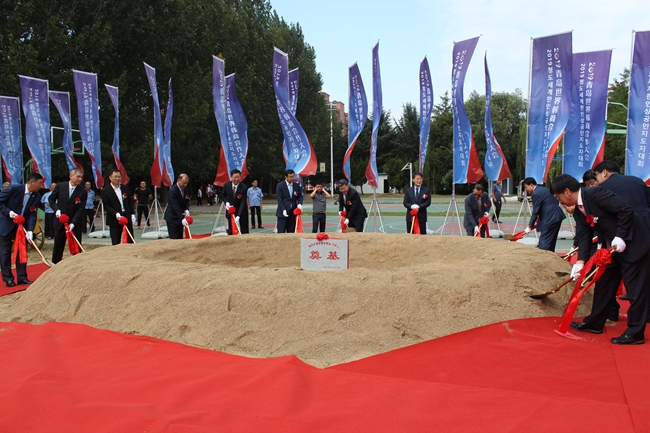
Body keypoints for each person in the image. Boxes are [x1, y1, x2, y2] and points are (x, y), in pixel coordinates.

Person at [550, 174, 650, 345]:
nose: (560, 202)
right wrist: (580, 262)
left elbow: (625, 210)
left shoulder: (596, 194)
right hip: (612, 249)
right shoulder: (579, 210)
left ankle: (635, 332)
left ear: (567, 191)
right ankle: (594, 323)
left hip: (634, 244)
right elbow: (584, 235)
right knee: (604, 284)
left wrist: (621, 236)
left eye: (559, 197)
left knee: (635, 290)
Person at [0, 172, 43, 286]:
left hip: (21, 226)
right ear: (31, 182)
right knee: (5, 252)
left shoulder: (37, 196)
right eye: (39, 183)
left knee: (22, 250)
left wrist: (30, 230)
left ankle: (22, 277)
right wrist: (9, 212)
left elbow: (32, 214)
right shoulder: (14, 189)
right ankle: (8, 278)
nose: (41, 186)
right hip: (6, 223)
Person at [49, 168, 88, 264]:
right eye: (78, 177)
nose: (80, 179)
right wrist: (57, 210)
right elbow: (51, 199)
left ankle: (76, 265)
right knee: (58, 246)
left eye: (81, 177)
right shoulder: (60, 186)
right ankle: (55, 265)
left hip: (74, 224)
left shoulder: (82, 191)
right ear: (70, 176)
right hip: (60, 222)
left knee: (76, 247)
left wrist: (73, 223)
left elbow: (81, 209)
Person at [522, 177, 566, 251]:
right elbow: (554, 201)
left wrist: (530, 226)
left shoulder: (535, 193)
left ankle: (543, 256)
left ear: (531, 185)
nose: (526, 190)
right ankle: (550, 255)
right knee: (551, 240)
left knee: (544, 242)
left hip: (549, 218)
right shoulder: (544, 189)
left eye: (526, 187)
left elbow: (535, 211)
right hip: (557, 216)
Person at [101, 170, 136, 245]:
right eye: (115, 176)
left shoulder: (125, 188)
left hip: (126, 216)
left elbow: (129, 202)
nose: (117, 178)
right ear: (110, 177)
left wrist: (132, 214)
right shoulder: (105, 191)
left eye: (119, 177)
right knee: (115, 241)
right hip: (114, 218)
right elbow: (106, 206)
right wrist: (116, 214)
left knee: (130, 239)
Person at [164, 174, 191, 240]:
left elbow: (187, 200)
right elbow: (175, 206)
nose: (185, 185)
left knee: (180, 238)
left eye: (186, 183)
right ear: (178, 180)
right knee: (174, 239)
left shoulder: (185, 189)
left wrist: (187, 209)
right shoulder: (172, 191)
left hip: (180, 217)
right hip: (172, 218)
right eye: (183, 183)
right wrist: (182, 218)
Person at [222, 169, 249, 235]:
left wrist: (238, 215)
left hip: (241, 211)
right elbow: (223, 195)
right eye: (235, 177)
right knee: (231, 230)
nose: (236, 179)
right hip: (231, 210)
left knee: (244, 230)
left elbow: (243, 203)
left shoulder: (243, 187)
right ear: (231, 177)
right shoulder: (227, 185)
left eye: (238, 177)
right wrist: (226, 202)